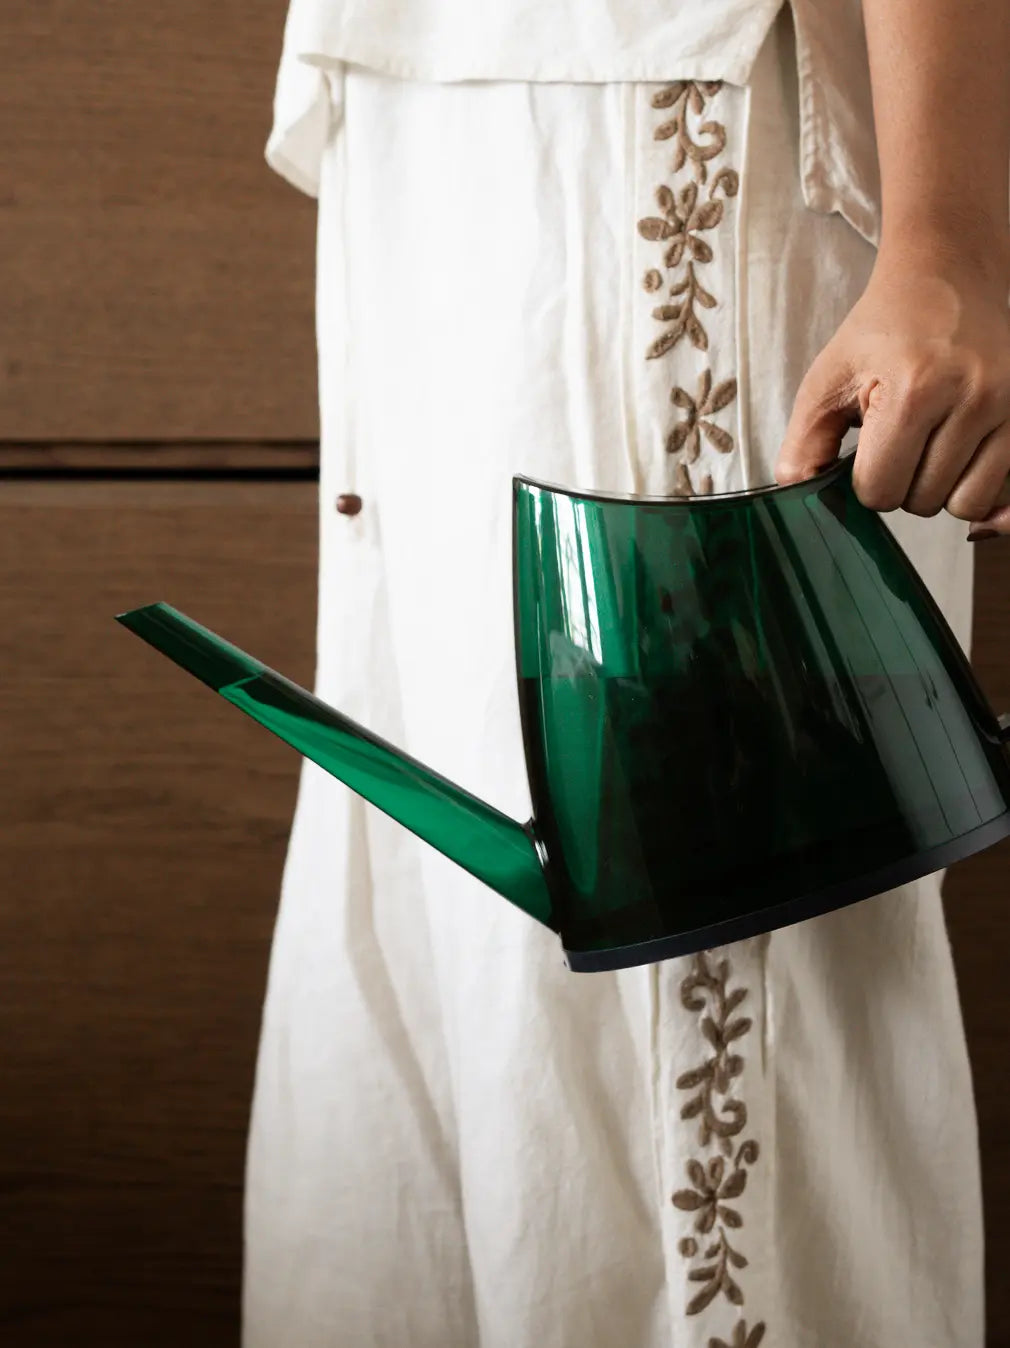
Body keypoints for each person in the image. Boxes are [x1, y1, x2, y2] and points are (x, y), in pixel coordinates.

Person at [244, 0, 1010, 1342]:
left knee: (696, 1036)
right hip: (434, 115)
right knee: (462, 1040)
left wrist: (945, 240)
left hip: (660, 108)